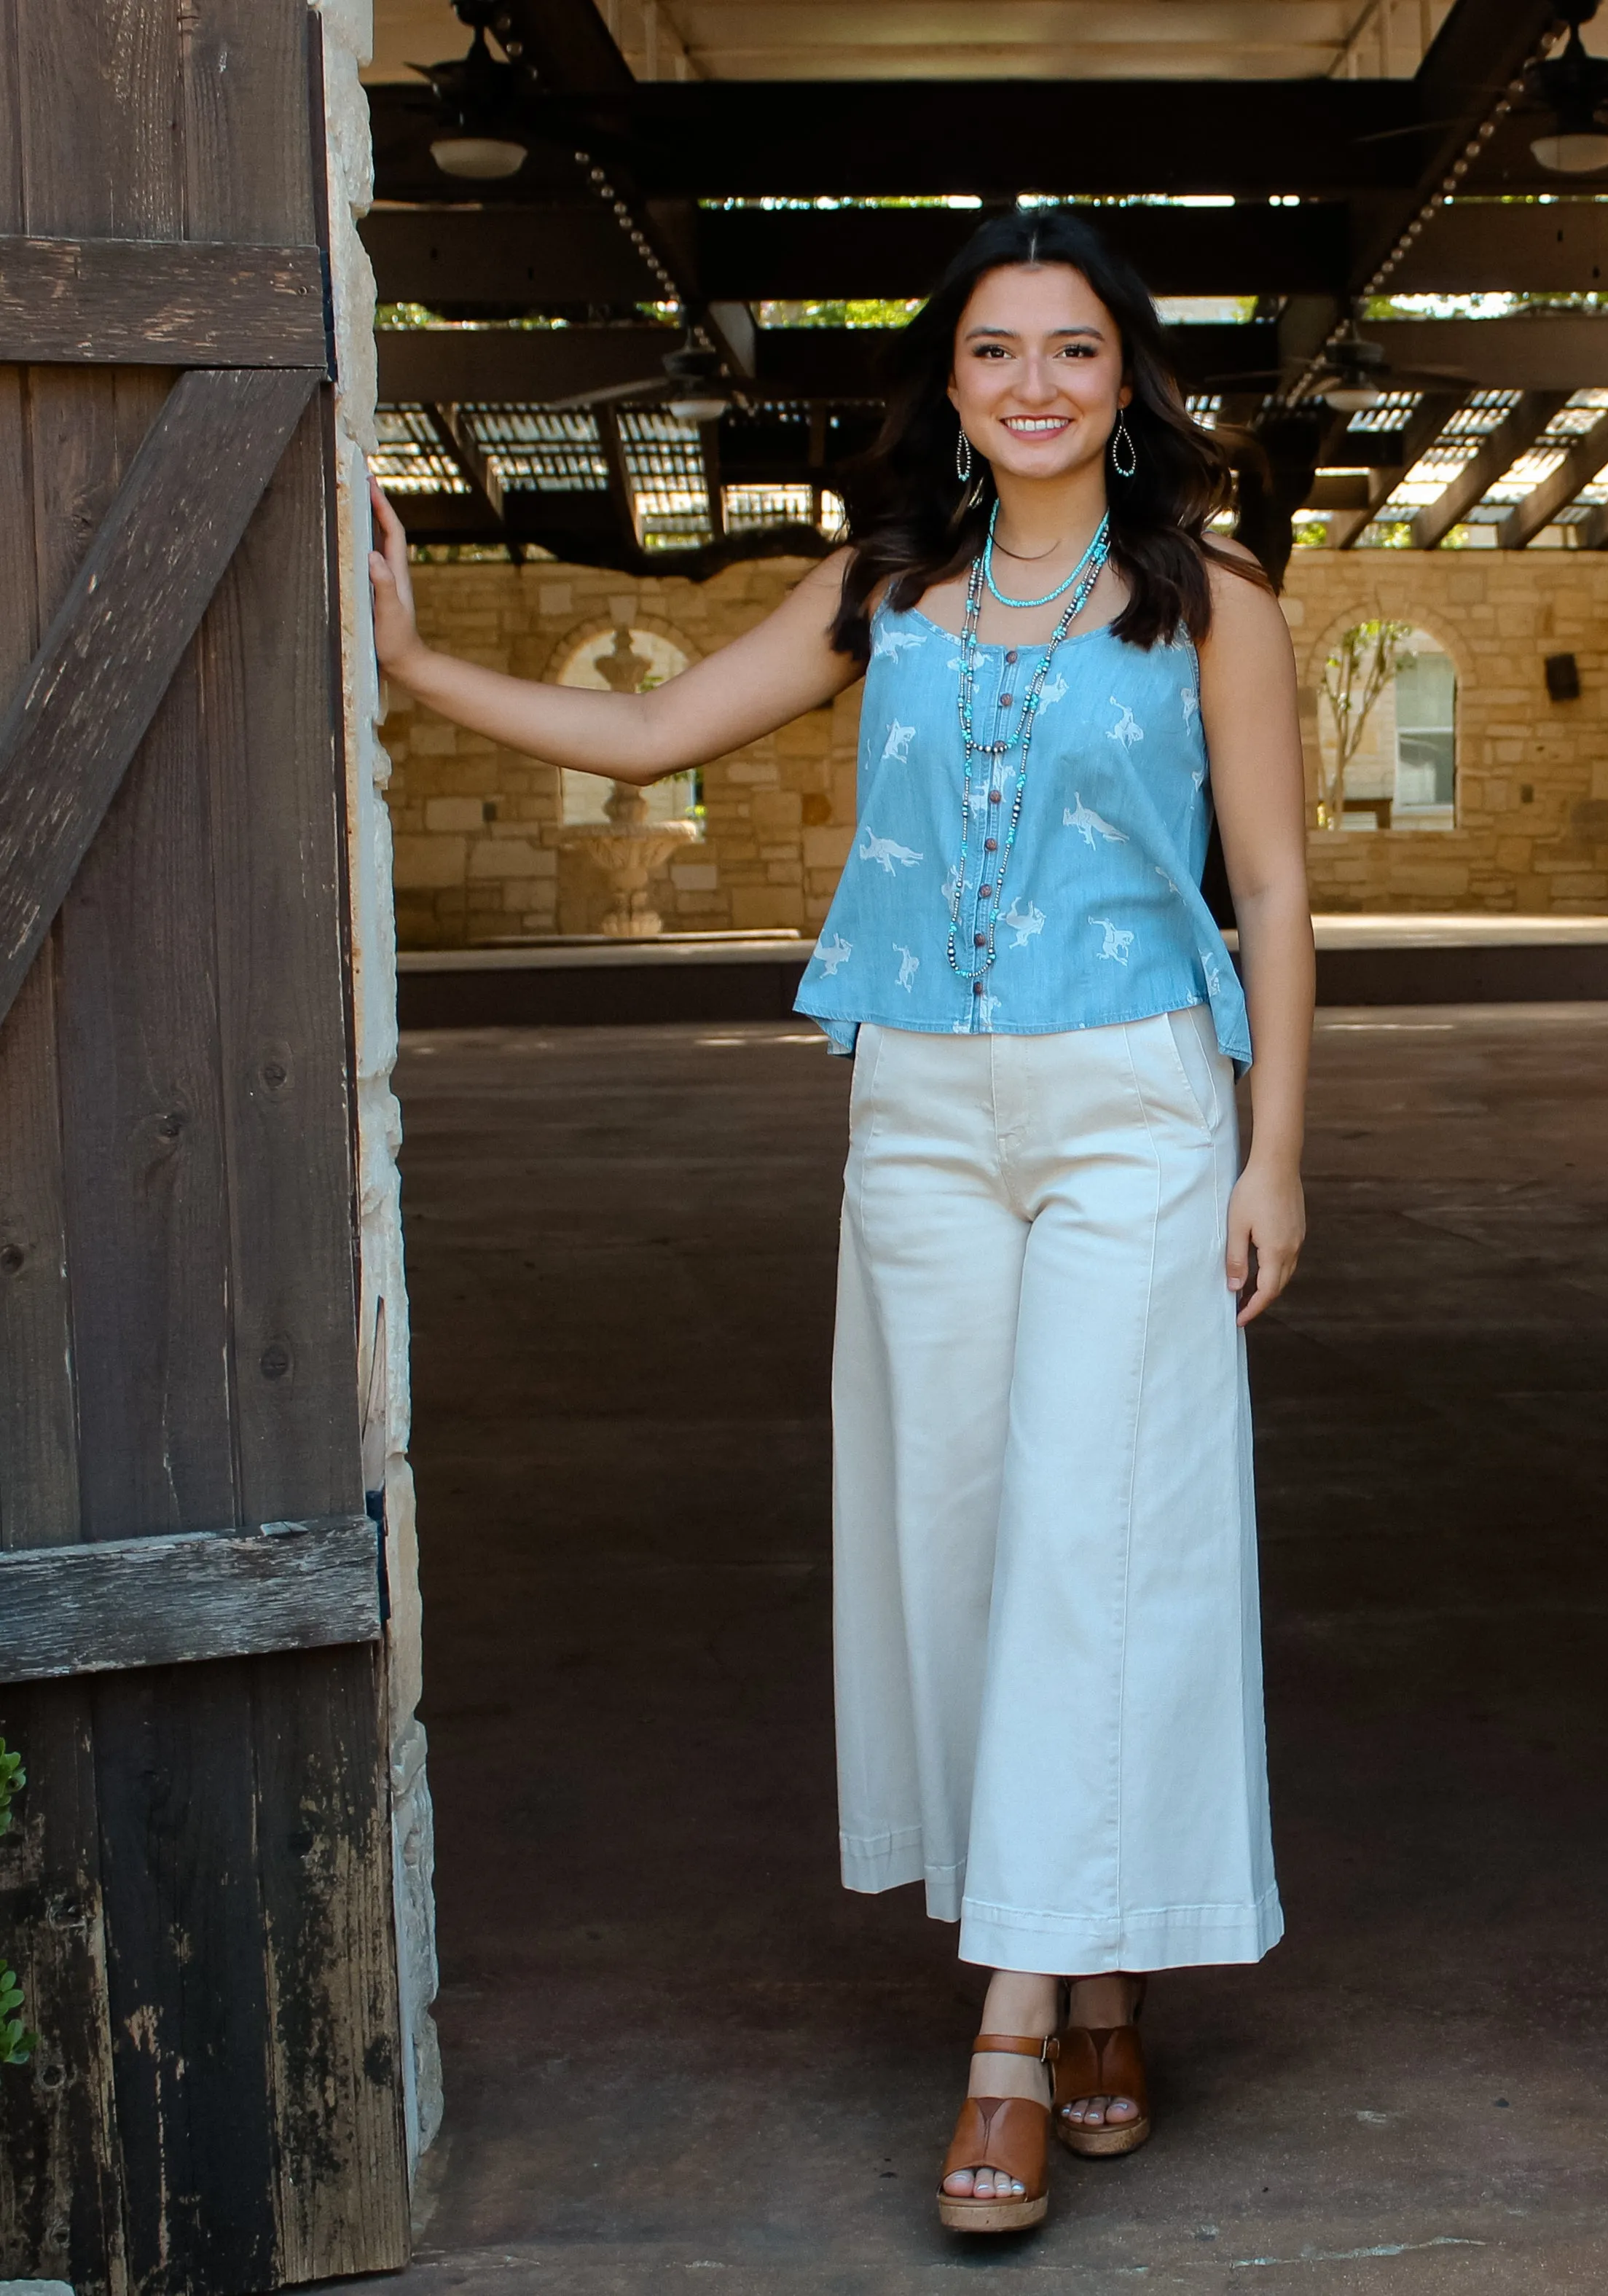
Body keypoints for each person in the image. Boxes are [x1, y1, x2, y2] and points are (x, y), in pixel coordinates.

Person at [366, 207, 1312, 2236]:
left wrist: (1277, 1149)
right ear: (950, 384)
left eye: (1074, 349)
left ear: (1127, 379)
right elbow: (644, 732)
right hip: (914, 1111)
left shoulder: (1213, 596)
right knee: (962, 1544)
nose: (1036, 384)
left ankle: (1001, 2040)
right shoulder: (885, 583)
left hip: (1135, 1099)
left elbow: (1276, 889)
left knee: (1091, 1538)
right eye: (997, 352)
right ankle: (1093, 1975)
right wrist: (418, 661)